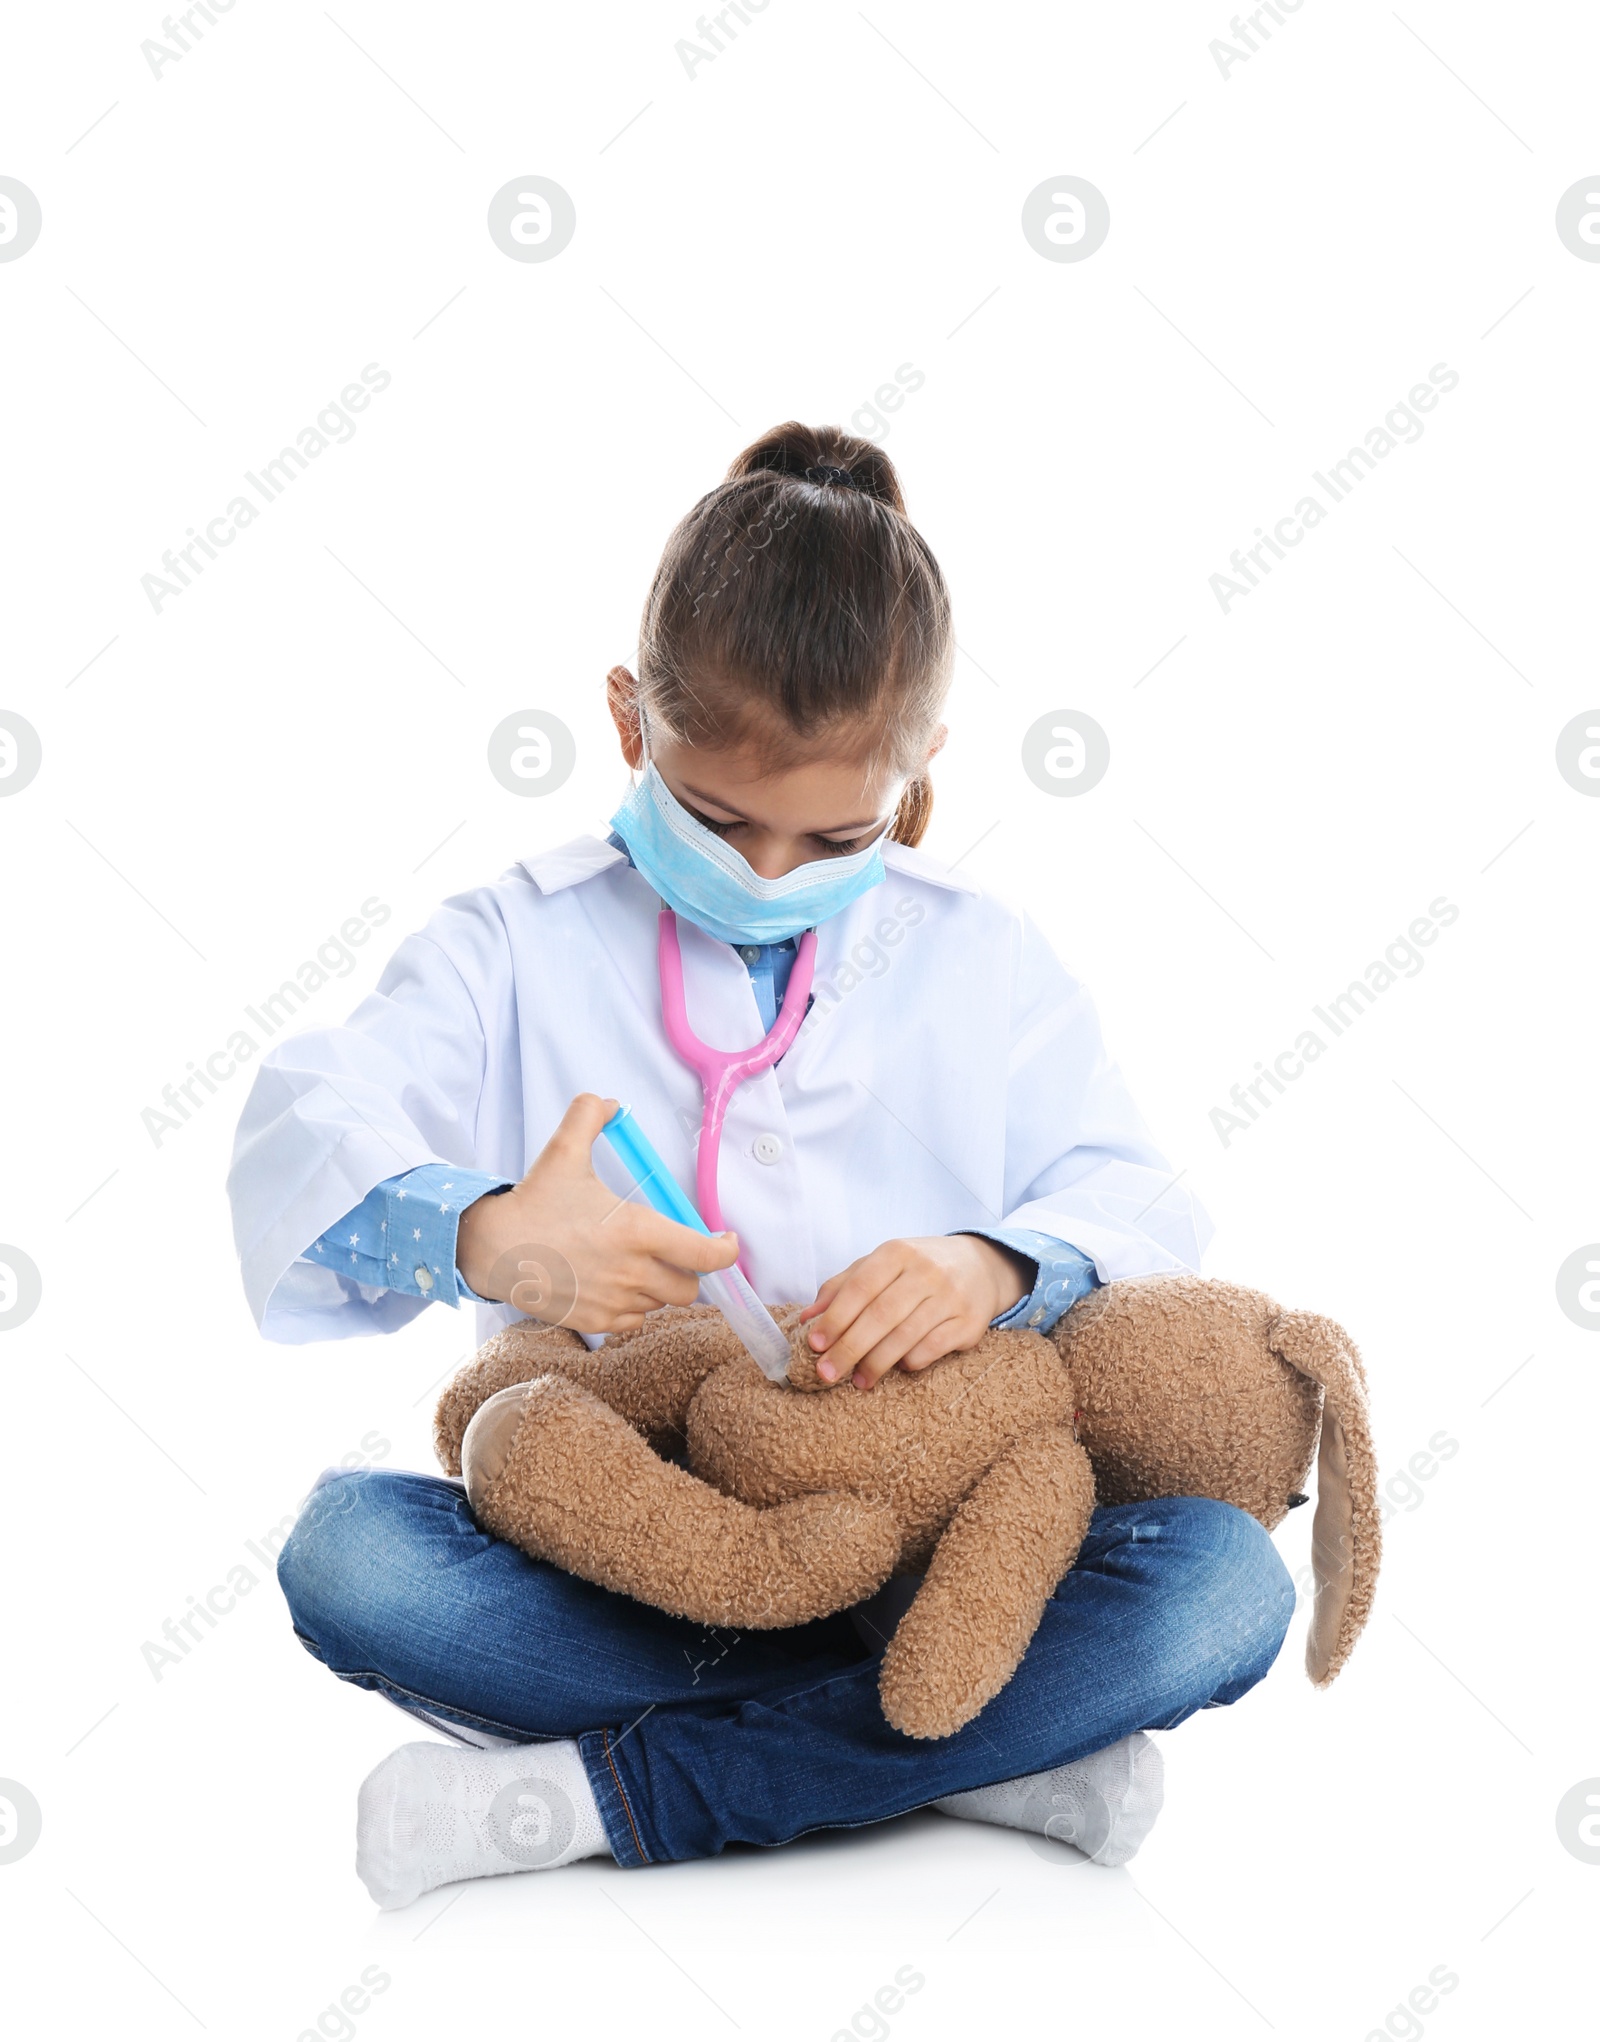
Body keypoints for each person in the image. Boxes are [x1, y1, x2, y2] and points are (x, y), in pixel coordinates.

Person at [229, 422, 1294, 1909]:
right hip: (638, 1567)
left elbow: (1142, 1203)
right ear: (626, 720)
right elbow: (303, 1124)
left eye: (836, 831)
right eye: (720, 818)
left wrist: (993, 1264)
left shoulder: (982, 955)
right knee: (353, 1554)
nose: (770, 871)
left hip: (934, 1566)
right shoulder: (511, 941)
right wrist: (484, 1235)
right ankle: (969, 1756)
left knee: (1226, 1581)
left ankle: (614, 1794)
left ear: (919, 778)